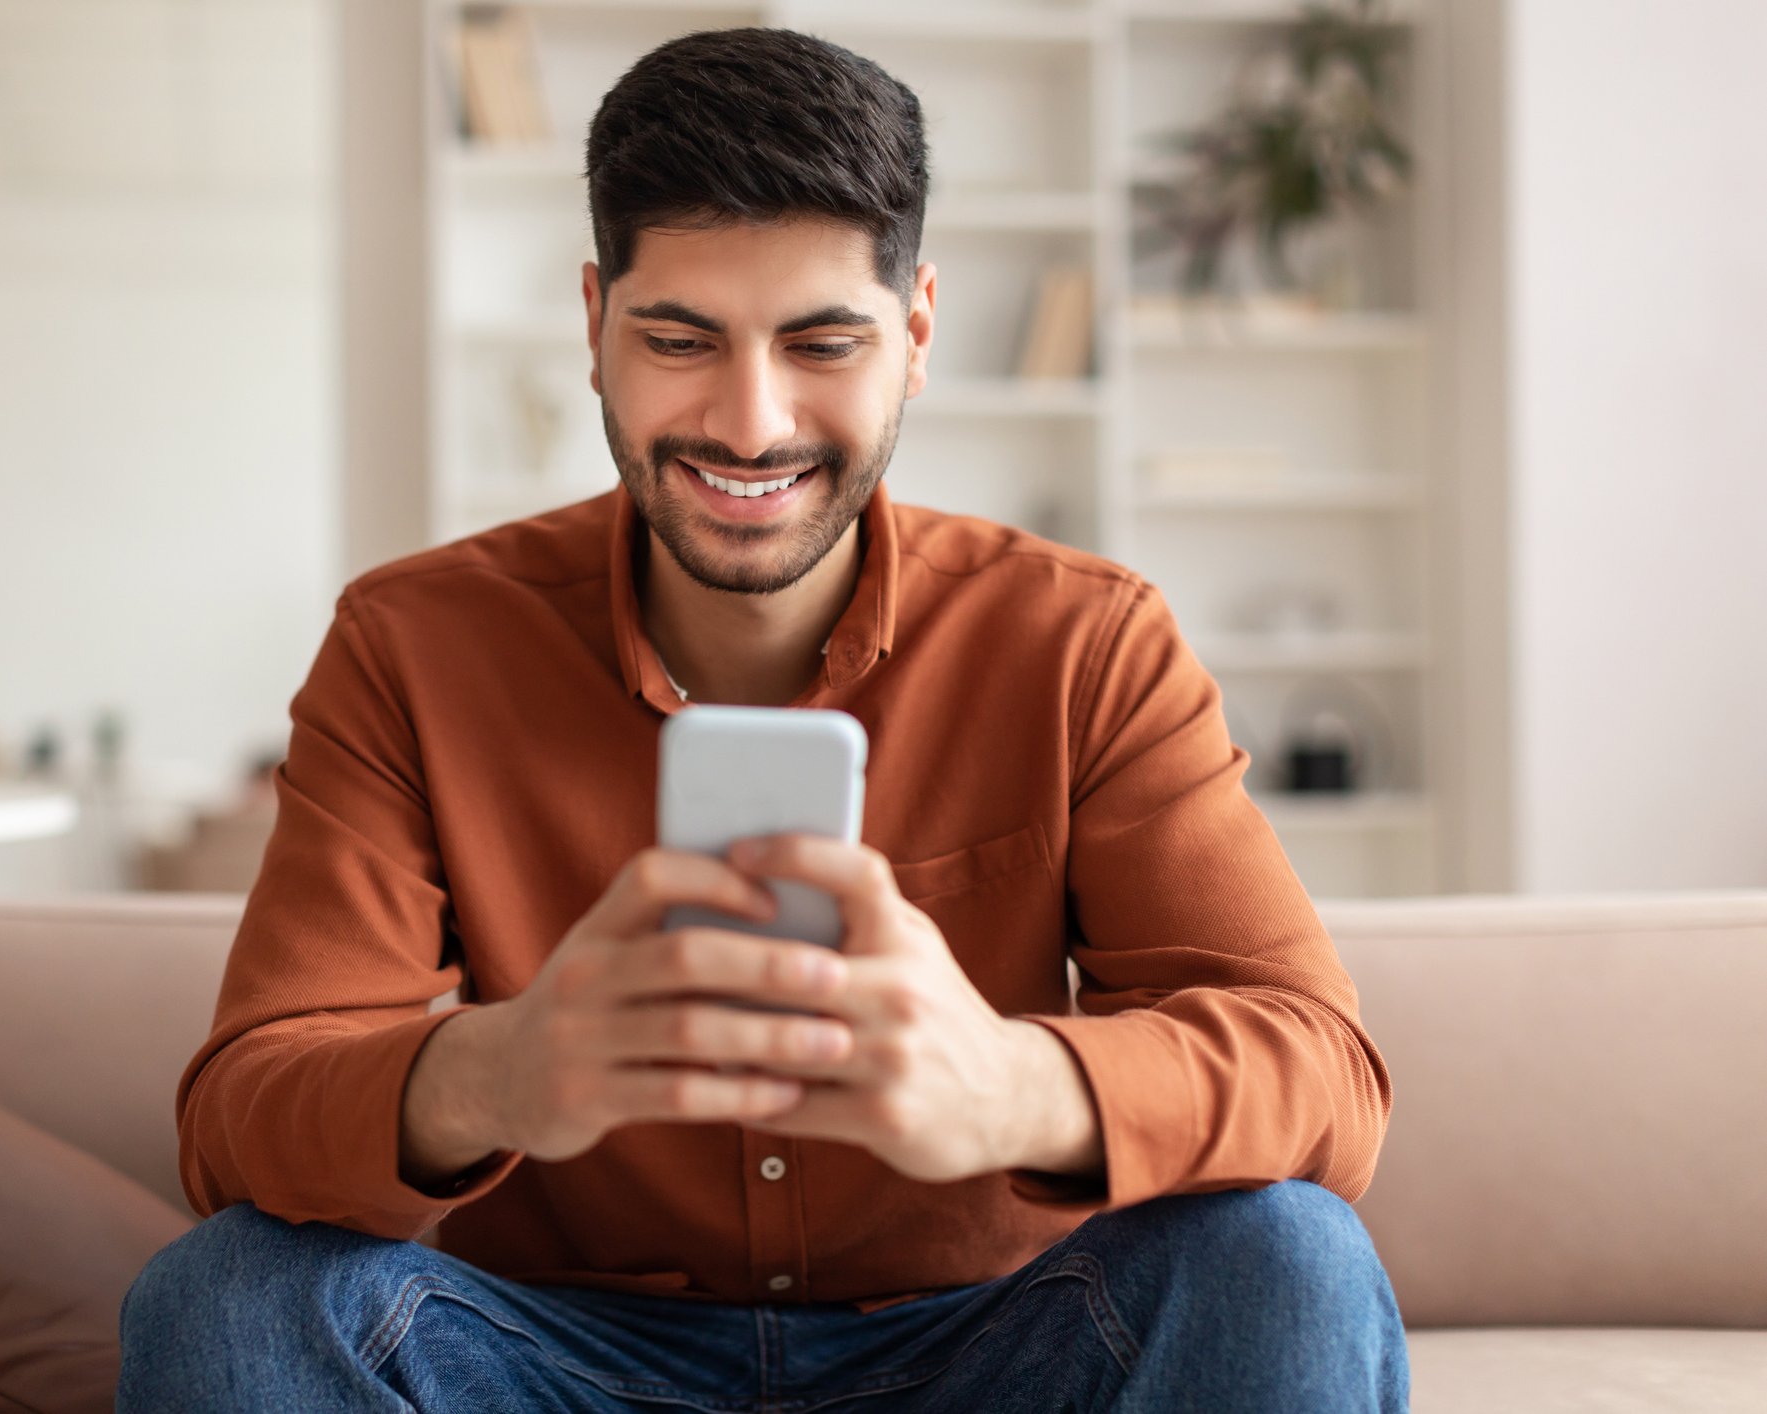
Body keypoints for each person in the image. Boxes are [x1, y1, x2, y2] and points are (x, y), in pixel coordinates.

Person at [117, 26, 1408, 1413]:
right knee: (225, 1297)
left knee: (1288, 1254)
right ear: (595, 323)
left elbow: (1316, 1066)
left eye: (821, 341)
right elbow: (240, 1115)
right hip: (555, 1360)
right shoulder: (411, 645)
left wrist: (1014, 1084)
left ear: (914, 332)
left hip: (988, 1349)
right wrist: (493, 1072)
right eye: (679, 338)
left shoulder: (1086, 642)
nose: (749, 420)